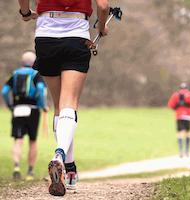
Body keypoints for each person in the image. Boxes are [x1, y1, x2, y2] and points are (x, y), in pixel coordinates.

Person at [17, 0, 109, 196]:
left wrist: (25, 13)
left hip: (46, 37)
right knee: (69, 104)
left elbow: (24, 5)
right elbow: (103, 6)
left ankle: (70, 170)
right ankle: (60, 156)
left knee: (59, 106)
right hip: (77, 36)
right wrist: (102, 27)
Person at [1, 51, 47, 180]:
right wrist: (42, 105)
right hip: (32, 109)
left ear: (23, 62)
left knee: (18, 140)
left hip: (17, 109)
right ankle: (30, 172)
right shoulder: (36, 74)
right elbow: (41, 90)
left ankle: (16, 167)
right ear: (34, 62)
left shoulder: (15, 74)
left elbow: (4, 91)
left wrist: (10, 106)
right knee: (32, 141)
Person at [168, 83, 190, 158]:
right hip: (188, 117)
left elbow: (170, 105)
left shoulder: (175, 95)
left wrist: (177, 109)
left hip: (179, 116)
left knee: (180, 132)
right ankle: (187, 150)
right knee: (188, 132)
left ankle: (181, 150)